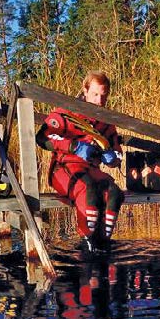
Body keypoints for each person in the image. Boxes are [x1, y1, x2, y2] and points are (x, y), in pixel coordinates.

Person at [36, 71, 124, 253]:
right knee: (88, 188)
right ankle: (87, 245)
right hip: (64, 168)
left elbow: (117, 156)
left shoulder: (106, 121)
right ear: (85, 90)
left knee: (115, 193)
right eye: (95, 95)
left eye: (103, 96)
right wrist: (74, 146)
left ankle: (104, 245)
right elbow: (42, 138)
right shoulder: (66, 112)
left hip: (91, 169)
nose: (100, 101)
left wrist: (112, 157)